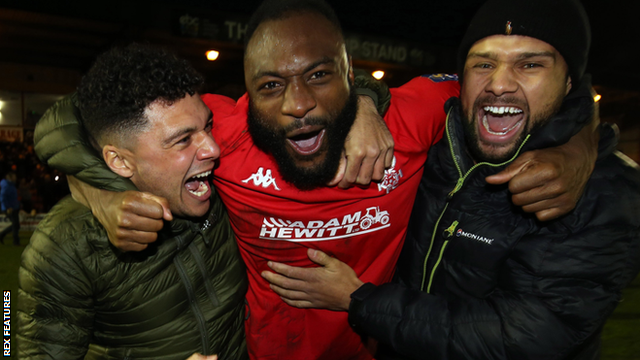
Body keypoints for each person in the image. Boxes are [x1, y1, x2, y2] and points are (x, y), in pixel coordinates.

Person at [34, 0, 598, 359]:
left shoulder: (410, 116)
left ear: (352, 75)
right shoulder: (219, 136)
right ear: (248, 92)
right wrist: (97, 194)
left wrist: (582, 145)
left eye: (321, 76)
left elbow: (520, 93)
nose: (299, 104)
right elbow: (75, 116)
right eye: (272, 85)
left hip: (384, 341)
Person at [261, 0, 640, 359]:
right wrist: (363, 101)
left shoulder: (606, 191)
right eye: (484, 64)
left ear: (569, 82)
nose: (500, 84)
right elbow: (348, 83)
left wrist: (360, 300)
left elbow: (524, 338)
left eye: (530, 65)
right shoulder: (436, 141)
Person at [17, 45, 248, 360]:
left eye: (207, 126)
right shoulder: (65, 246)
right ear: (119, 161)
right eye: (182, 139)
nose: (212, 148)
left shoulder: (224, 185)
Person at [0, 172, 20, 246]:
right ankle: (16, 241)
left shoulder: (10, 185)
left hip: (13, 207)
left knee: (16, 225)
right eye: (14, 176)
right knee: (15, 225)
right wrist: (8, 207)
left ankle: (2, 235)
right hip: (10, 208)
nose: (16, 178)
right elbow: (2, 197)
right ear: (10, 177)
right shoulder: (7, 186)